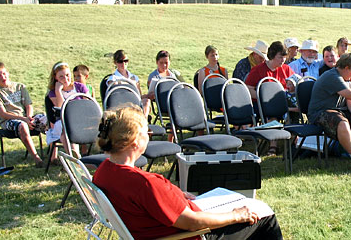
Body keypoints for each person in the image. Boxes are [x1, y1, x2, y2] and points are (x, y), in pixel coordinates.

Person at [92, 106, 283, 240]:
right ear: (135, 141)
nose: (149, 135)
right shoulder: (143, 183)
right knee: (264, 217)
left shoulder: (104, 172)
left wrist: (174, 195)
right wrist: (237, 215)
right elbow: (193, 223)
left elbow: (149, 202)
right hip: (190, 235)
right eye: (146, 132)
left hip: (164, 228)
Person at [245, 41, 299, 156]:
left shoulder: (286, 69)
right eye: (280, 57)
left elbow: (295, 83)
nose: (283, 60)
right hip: (262, 104)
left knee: (294, 113)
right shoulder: (258, 70)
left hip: (284, 103)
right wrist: (264, 97)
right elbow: (248, 89)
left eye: (284, 57)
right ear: (272, 56)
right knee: (272, 113)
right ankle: (273, 146)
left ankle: (292, 143)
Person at [0, 61, 44, 167]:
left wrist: (29, 118)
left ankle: (54, 156)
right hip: (9, 121)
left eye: (4, 73)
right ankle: (37, 158)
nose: (3, 77)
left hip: (26, 117)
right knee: (22, 125)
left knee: (46, 119)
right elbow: (3, 114)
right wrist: (24, 120)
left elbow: (28, 105)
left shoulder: (20, 87)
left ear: (8, 73)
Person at [46, 62, 89, 160]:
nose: (65, 79)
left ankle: (74, 158)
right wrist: (58, 91)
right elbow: (61, 108)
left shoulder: (80, 87)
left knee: (69, 128)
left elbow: (88, 105)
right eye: (61, 77)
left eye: (67, 75)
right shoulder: (53, 93)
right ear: (55, 77)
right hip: (63, 120)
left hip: (80, 118)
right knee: (64, 129)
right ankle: (74, 156)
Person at [107, 50, 152, 116]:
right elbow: (115, 97)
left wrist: (148, 95)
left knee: (147, 101)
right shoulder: (113, 79)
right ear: (115, 63)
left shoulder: (134, 78)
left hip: (135, 103)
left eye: (125, 61)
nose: (123, 64)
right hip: (121, 104)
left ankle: (144, 122)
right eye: (120, 61)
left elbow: (139, 96)